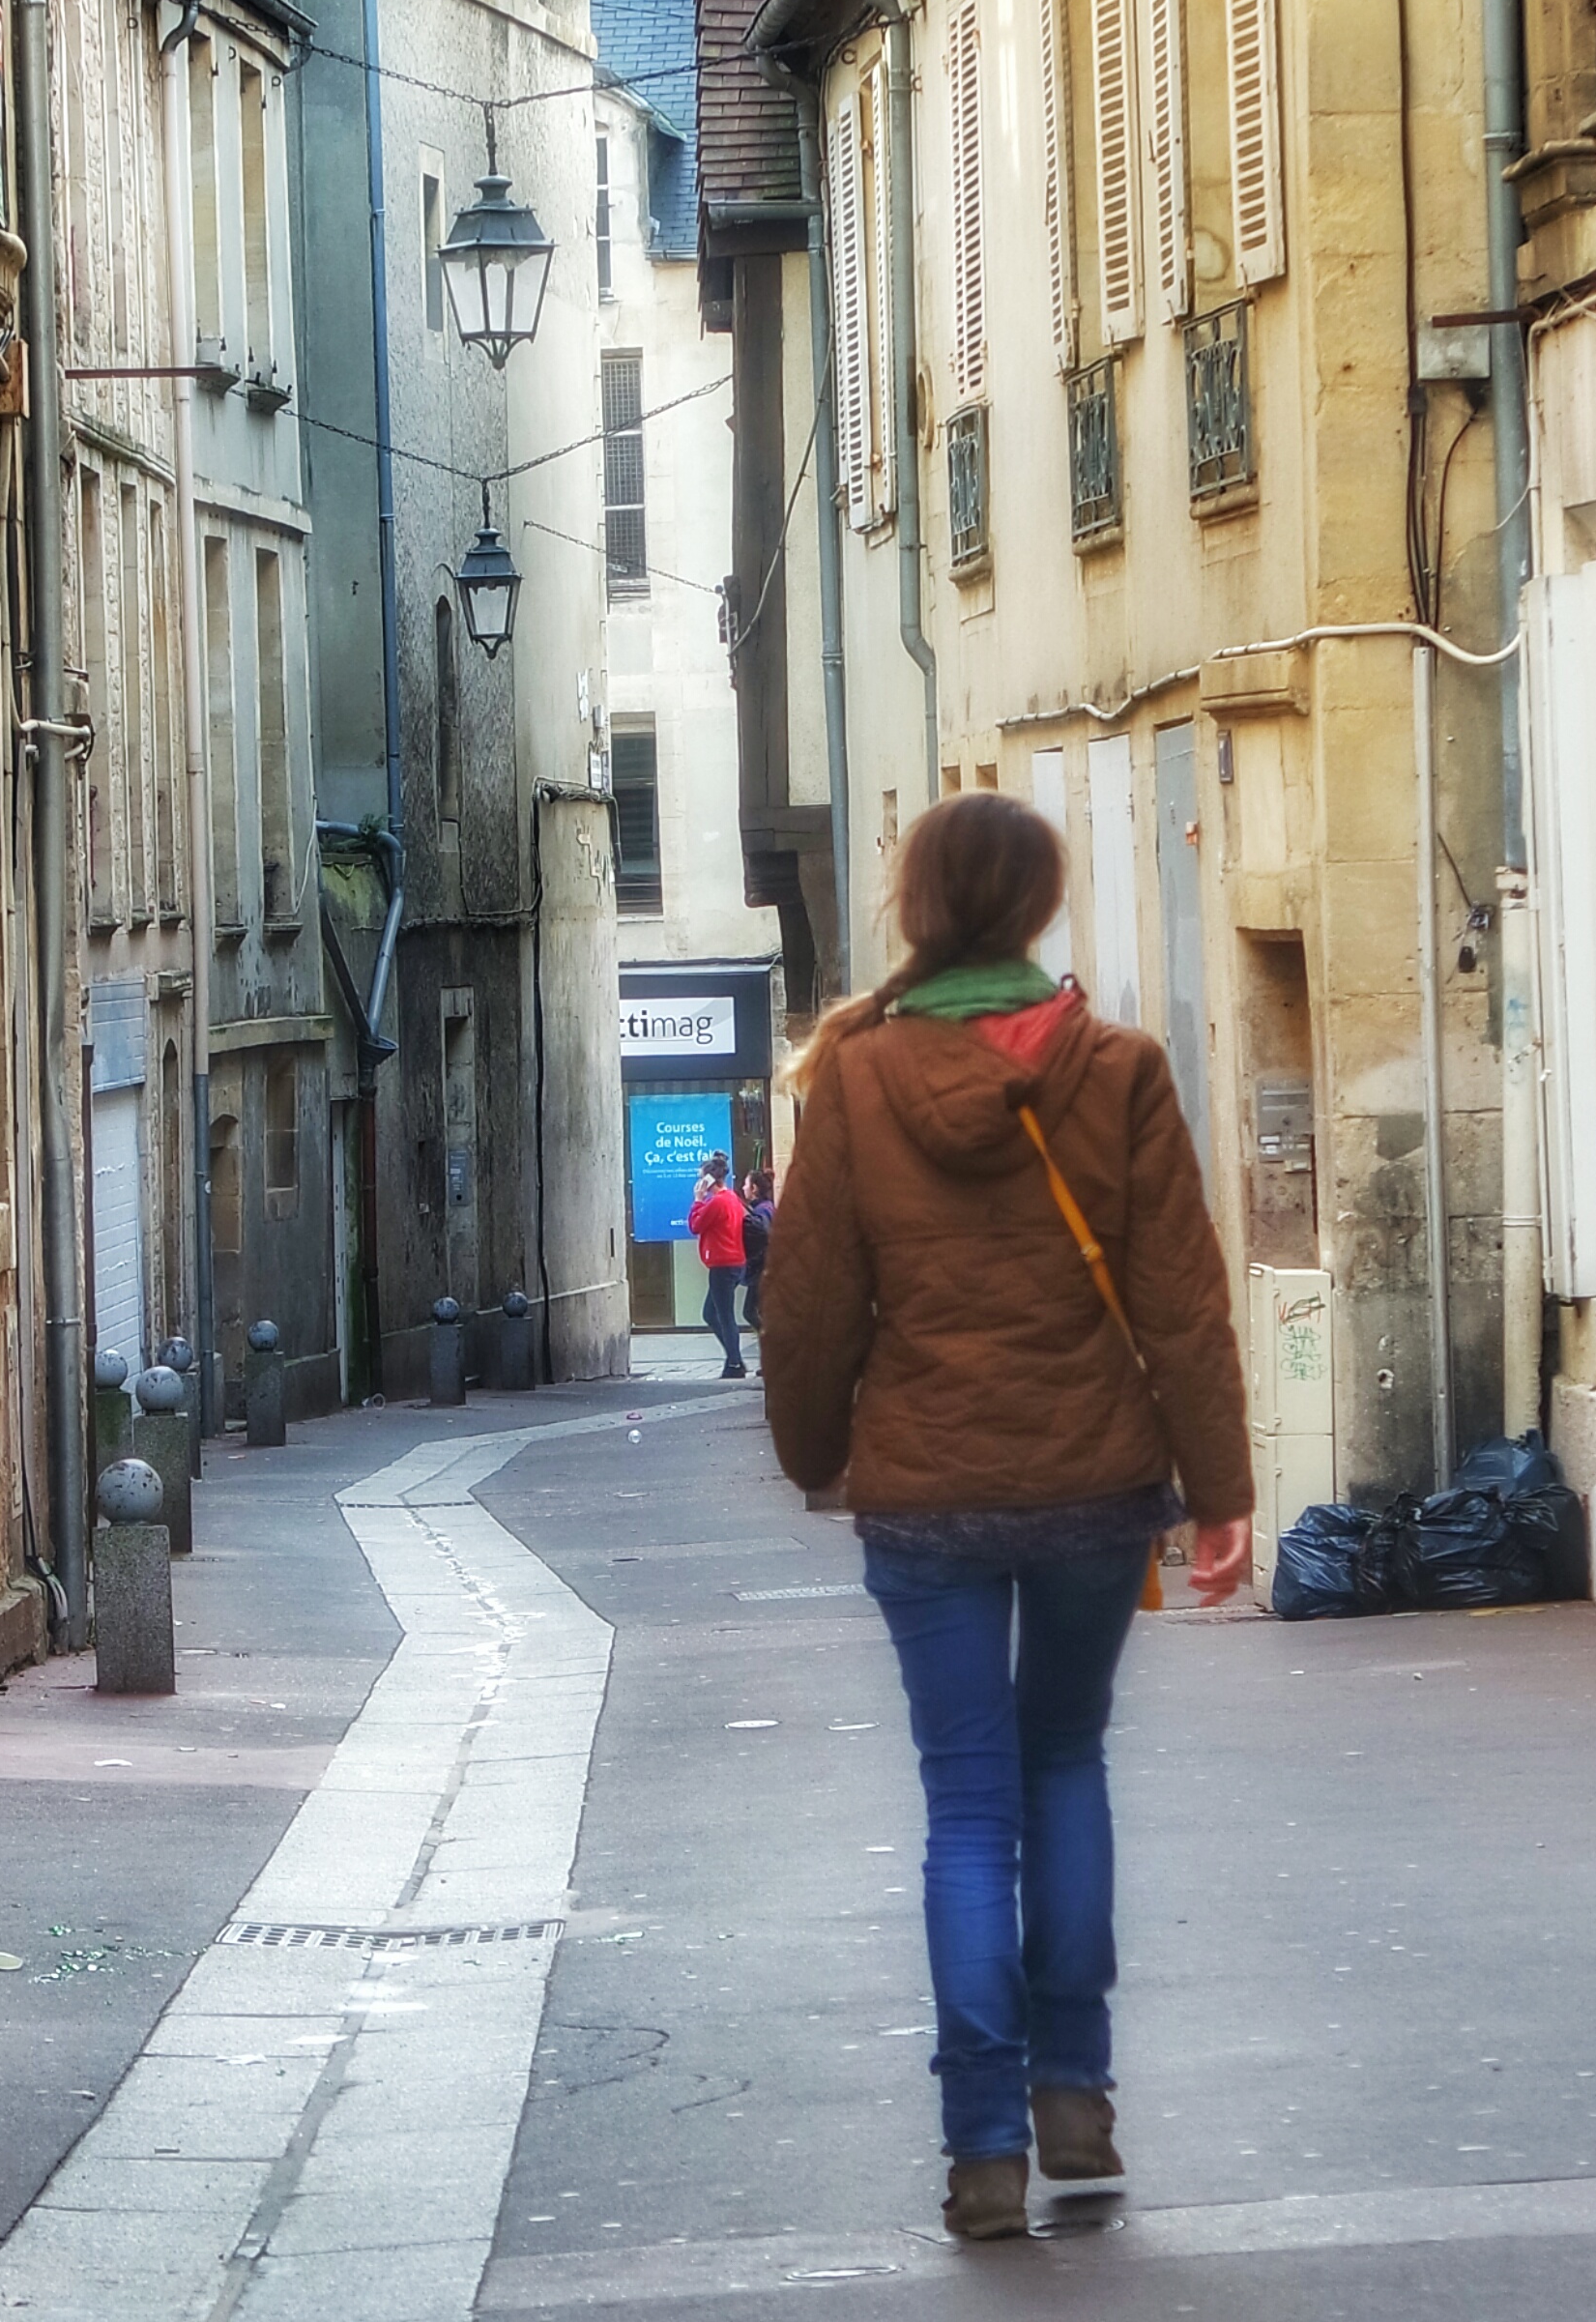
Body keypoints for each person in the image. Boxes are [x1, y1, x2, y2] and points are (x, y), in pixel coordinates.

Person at [762, 794, 1252, 2244]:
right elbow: (1183, 1298)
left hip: (926, 1495)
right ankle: (1076, 2094)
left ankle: (982, 2144)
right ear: (1038, 907)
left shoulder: (852, 1076)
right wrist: (1219, 1494)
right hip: (1098, 1484)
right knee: (1067, 1767)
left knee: (968, 1810)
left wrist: (814, 1457)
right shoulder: (1120, 1070)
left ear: (919, 905)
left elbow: (808, 1303)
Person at [688, 1154, 749, 1379]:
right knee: (711, 1312)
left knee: (723, 1315)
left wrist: (697, 1199)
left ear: (708, 1180)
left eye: (701, 1178)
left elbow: (695, 1225)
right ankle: (735, 1358)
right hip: (733, 1262)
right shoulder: (731, 1197)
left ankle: (734, 1363)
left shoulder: (718, 1201)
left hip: (723, 1264)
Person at [739, 1164, 775, 1334]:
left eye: (746, 1184)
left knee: (750, 1311)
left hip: (762, 1268)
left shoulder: (761, 1211)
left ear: (754, 1188)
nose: (743, 1188)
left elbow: (762, 1237)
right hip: (766, 1267)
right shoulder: (766, 1207)